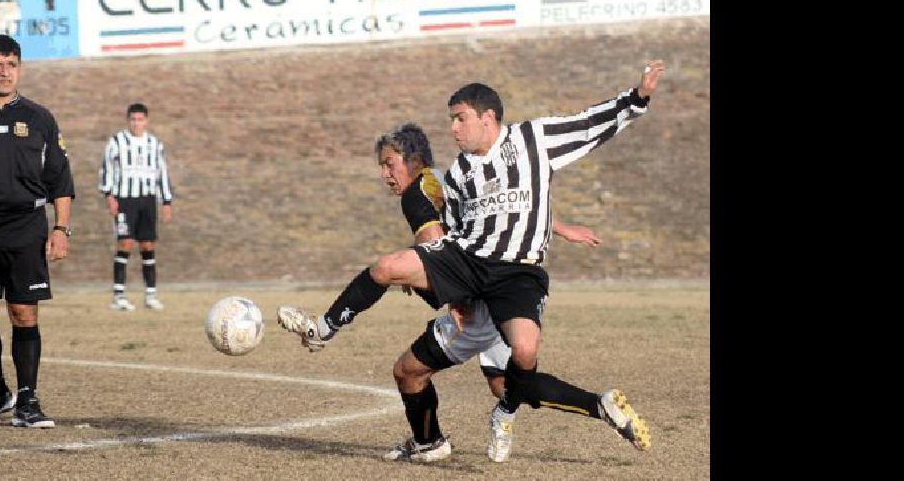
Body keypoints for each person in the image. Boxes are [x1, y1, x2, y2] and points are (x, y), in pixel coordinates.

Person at [278, 60, 665, 462]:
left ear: (488, 117)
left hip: (510, 280)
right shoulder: (460, 172)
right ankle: (323, 329)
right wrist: (455, 281)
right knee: (388, 269)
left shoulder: (532, 140)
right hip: (471, 264)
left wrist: (636, 99)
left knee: (514, 367)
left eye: (460, 119)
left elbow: (587, 124)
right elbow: (473, 224)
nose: (453, 129)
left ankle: (481, 423)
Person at [367, 123, 602, 462]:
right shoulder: (442, 181)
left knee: (409, 370)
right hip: (495, 291)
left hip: (481, 297)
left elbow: (441, 240)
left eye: (389, 164)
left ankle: (428, 442)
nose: (385, 174)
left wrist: (452, 295)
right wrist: (562, 228)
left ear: (412, 160)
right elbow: (497, 213)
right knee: (504, 384)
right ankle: (602, 406)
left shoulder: (425, 191)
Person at [0, 34, 75, 428]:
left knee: (24, 313)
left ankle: (27, 399)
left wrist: (61, 228)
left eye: (11, 65)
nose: (5, 72)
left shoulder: (41, 118)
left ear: (20, 68)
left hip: (27, 225)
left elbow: (60, 179)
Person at [98, 103, 175, 311]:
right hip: (125, 199)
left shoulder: (154, 144)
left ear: (146, 121)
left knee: (148, 245)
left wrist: (166, 201)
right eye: (133, 119)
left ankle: (150, 295)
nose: (136, 123)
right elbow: (106, 169)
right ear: (128, 120)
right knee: (125, 243)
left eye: (140, 119)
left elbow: (162, 173)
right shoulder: (116, 142)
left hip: (147, 199)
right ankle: (118, 295)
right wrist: (109, 195)